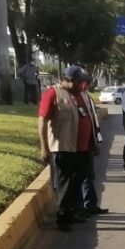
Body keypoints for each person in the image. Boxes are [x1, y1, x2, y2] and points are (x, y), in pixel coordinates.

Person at [38, 66, 94, 231]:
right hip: (62, 147)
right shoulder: (53, 94)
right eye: (79, 82)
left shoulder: (77, 95)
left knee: (77, 181)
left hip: (80, 149)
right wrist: (44, 147)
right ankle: (63, 219)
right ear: (69, 80)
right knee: (64, 184)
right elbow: (42, 121)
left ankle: (72, 211)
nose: (81, 85)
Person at [77, 72, 108, 216]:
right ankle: (81, 207)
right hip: (78, 144)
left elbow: (93, 120)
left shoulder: (87, 97)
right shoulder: (75, 98)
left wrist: (97, 140)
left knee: (90, 175)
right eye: (84, 82)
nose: (86, 85)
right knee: (81, 176)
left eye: (88, 82)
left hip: (90, 141)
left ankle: (90, 205)